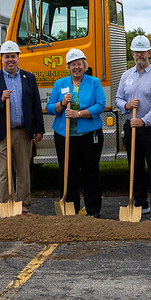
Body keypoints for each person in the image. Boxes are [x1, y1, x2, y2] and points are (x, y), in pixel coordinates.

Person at [0, 40, 45, 213]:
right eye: (7, 57)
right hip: (2, 133)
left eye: (13, 56)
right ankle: (4, 205)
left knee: (23, 171)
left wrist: (39, 129)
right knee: (2, 173)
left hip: (23, 132)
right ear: (1, 59)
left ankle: (23, 206)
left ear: (18, 58)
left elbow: (35, 105)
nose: (10, 60)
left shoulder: (28, 78)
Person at [46, 48, 106, 216]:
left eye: (79, 63)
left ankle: (93, 210)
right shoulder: (60, 84)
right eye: (73, 65)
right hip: (64, 136)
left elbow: (100, 104)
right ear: (68, 67)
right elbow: (50, 107)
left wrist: (78, 114)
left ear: (84, 65)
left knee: (90, 171)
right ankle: (70, 209)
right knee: (68, 172)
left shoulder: (94, 82)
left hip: (89, 135)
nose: (76, 67)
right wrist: (62, 103)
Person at [115, 35, 151, 221]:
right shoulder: (126, 75)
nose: (139, 55)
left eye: (143, 51)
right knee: (135, 167)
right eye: (136, 51)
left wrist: (144, 121)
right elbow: (118, 99)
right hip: (131, 126)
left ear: (149, 53)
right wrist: (127, 106)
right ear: (132, 53)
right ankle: (140, 203)